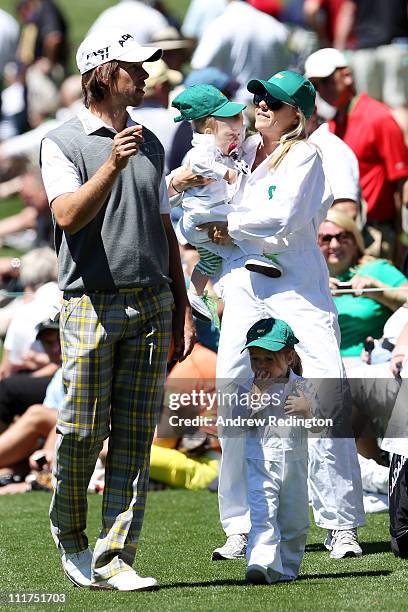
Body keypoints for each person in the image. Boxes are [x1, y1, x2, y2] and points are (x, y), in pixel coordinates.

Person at [40, 29, 195, 591]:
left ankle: (114, 557)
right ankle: (70, 535)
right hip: (89, 304)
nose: (149, 74)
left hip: (152, 299)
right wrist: (110, 163)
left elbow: (162, 228)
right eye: (136, 67)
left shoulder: (150, 140)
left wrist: (182, 305)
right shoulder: (61, 142)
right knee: (81, 430)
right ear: (103, 74)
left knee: (132, 436)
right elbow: (66, 216)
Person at [205, 70, 365, 561]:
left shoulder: (308, 154)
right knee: (232, 388)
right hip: (250, 285)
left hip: (299, 287)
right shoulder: (241, 149)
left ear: (299, 112)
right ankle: (240, 527)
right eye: (259, 97)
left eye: (275, 100)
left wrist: (227, 224)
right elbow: (195, 197)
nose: (262, 105)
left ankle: (341, 525)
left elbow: (285, 218)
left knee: (326, 387)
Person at [170, 83, 282, 321]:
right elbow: (169, 188)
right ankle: (254, 257)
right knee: (236, 221)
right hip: (202, 219)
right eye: (231, 130)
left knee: (210, 260)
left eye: (240, 127)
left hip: (208, 224)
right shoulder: (203, 153)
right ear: (209, 132)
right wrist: (182, 181)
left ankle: (196, 293)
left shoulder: (233, 149)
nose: (238, 134)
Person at [304, 47, 408, 260]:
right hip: (341, 237)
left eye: (324, 81)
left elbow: (401, 185)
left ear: (347, 75)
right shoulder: (333, 125)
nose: (321, 90)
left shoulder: (377, 118)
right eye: (315, 85)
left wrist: (399, 241)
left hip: (376, 234)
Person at [242, 317, 320, 585]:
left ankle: (286, 568)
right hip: (260, 461)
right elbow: (239, 422)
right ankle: (260, 562)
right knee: (263, 513)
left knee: (295, 520)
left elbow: (320, 426)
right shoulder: (246, 386)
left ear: (288, 356)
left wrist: (306, 409)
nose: (261, 366)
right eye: (255, 359)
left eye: (268, 358)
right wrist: (256, 398)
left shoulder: (303, 386)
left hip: (295, 463)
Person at [319, 209, 408, 358]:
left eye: (342, 237)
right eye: (326, 238)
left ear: (355, 241)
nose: (334, 245)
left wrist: (377, 290)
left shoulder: (377, 269)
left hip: (368, 364)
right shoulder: (308, 281)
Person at [190, 0, 291, 104]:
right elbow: (285, 73)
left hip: (235, 110)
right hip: (271, 107)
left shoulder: (221, 24)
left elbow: (199, 70)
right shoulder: (275, 26)